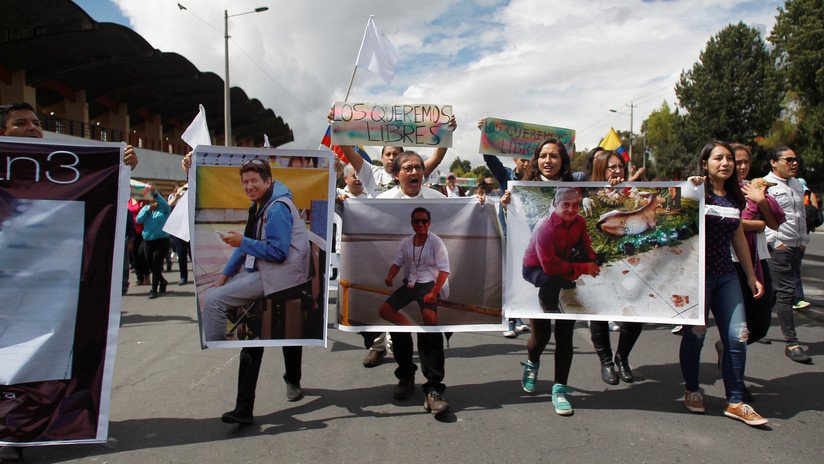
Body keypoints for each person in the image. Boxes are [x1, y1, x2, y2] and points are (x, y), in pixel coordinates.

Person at [0, 102, 137, 461]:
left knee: (32, 356)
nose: (33, 128)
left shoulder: (59, 169)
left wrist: (119, 169)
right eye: (21, 123)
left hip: (41, 288)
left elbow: (96, 208)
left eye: (36, 122)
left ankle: (15, 432)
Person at [202, 158, 311, 424]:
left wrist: (242, 242)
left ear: (268, 181)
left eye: (254, 181)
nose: (249, 186)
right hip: (266, 272)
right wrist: (225, 276)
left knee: (216, 302)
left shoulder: (276, 209)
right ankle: (246, 407)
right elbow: (245, 246)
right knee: (252, 335)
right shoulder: (260, 205)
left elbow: (277, 252)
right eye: (245, 182)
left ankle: (218, 345)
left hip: (281, 278)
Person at [509, 138, 597, 416]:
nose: (548, 161)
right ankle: (532, 362)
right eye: (543, 156)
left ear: (563, 160)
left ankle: (559, 389)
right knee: (542, 335)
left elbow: (586, 246)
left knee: (565, 332)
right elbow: (547, 264)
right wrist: (505, 203)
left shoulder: (577, 200)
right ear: (537, 160)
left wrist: (593, 262)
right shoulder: (526, 192)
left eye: (554, 156)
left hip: (562, 267)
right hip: (538, 267)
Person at [681, 141, 767, 427]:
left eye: (729, 158)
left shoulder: (734, 198)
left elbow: (738, 236)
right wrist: (689, 188)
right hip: (697, 277)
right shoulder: (695, 191)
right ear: (705, 164)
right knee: (696, 335)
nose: (726, 163)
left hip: (727, 275)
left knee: (737, 336)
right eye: (718, 158)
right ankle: (692, 390)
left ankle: (736, 401)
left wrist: (751, 276)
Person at [374, 151, 451, 415]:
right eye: (407, 168)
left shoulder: (438, 199)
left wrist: (481, 203)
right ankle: (405, 374)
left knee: (431, 331)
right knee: (395, 324)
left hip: (429, 285)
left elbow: (465, 215)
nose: (414, 172)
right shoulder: (382, 201)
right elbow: (360, 216)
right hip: (409, 284)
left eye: (418, 167)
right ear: (397, 175)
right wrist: (344, 205)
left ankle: (434, 388)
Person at [587, 150, 645, 384]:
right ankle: (606, 362)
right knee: (600, 312)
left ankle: (622, 357)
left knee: (635, 313)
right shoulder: (589, 194)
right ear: (601, 170)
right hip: (600, 262)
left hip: (630, 261)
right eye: (612, 167)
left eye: (620, 166)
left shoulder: (633, 193)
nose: (617, 171)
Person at [478, 121, 531, 338]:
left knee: (521, 279)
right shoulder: (506, 176)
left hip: (529, 238)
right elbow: (490, 159)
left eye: (529, 159)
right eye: (522, 160)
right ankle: (508, 321)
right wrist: (486, 133)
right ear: (514, 160)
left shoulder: (537, 180)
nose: (526, 164)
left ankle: (518, 317)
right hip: (509, 236)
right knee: (508, 279)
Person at [335, 165, 390, 368]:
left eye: (360, 175)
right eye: (353, 175)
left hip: (372, 254)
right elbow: (324, 189)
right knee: (355, 304)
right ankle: (377, 342)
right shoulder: (338, 196)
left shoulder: (374, 197)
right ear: (345, 179)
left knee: (377, 298)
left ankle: (383, 344)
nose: (357, 179)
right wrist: (335, 171)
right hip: (346, 254)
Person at [763, 147, 812, 363]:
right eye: (788, 160)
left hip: (796, 245)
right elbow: (760, 215)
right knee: (786, 292)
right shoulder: (765, 184)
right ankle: (792, 343)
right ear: (773, 162)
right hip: (779, 247)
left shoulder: (797, 185)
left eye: (795, 159)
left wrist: (803, 241)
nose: (794, 163)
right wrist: (775, 242)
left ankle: (755, 328)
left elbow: (800, 214)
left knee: (773, 292)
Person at [380, 207, 450, 327]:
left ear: (429, 223)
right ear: (412, 223)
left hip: (428, 285)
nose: (420, 224)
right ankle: (410, 328)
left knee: (430, 319)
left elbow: (444, 270)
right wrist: (390, 277)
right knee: (385, 311)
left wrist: (433, 293)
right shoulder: (406, 242)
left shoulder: (436, 242)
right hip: (410, 283)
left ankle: (431, 338)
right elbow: (397, 263)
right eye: (417, 221)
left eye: (424, 221)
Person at [136, 187, 171, 299]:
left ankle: (153, 289)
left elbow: (165, 204)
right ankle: (163, 281)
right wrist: (148, 210)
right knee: (150, 265)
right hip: (148, 240)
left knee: (156, 264)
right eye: (152, 198)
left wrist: (155, 194)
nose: (154, 200)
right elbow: (138, 220)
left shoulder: (164, 209)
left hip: (162, 240)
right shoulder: (146, 208)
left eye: (156, 198)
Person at [168, 184, 190, 285]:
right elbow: (169, 205)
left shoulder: (191, 198)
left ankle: (198, 275)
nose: (183, 192)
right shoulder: (174, 197)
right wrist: (177, 197)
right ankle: (183, 276)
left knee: (192, 254)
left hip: (189, 229)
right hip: (178, 229)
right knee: (181, 254)